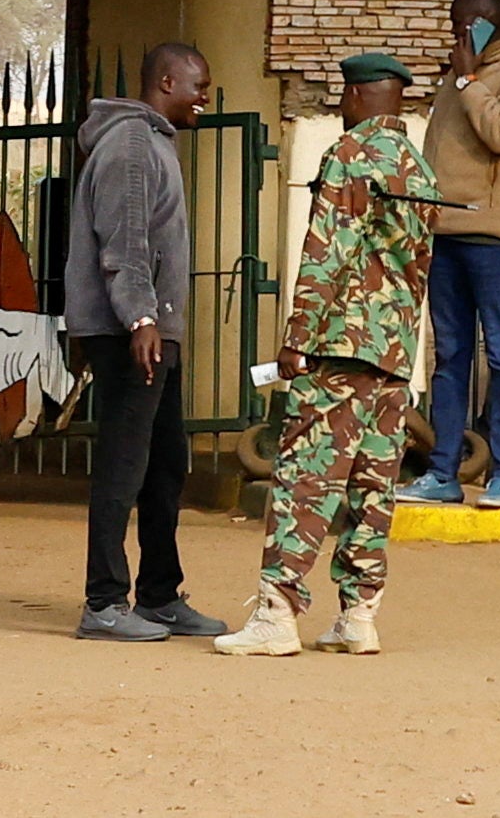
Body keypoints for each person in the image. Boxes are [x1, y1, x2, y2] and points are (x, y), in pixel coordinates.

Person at [215, 54, 443, 658]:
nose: (339, 106)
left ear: (358, 94)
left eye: (343, 94)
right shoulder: (419, 167)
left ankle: (277, 613)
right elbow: (417, 269)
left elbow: (327, 254)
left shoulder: (349, 156)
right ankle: (358, 616)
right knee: (374, 483)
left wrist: (297, 337)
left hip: (339, 345)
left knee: (307, 478)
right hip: (392, 351)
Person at [56, 40, 219, 642]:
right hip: (133, 332)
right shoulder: (129, 146)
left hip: (151, 328)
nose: (205, 98)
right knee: (125, 466)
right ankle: (103, 602)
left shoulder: (152, 143)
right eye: (199, 86)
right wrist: (140, 320)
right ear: (168, 82)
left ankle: (157, 595)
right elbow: (121, 245)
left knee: (165, 463)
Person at [411, 0, 500, 508]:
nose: (456, 36)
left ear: (487, 22)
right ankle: (442, 471)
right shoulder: (458, 77)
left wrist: (469, 79)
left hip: (494, 235)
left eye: (463, 26)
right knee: (450, 356)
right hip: (445, 232)